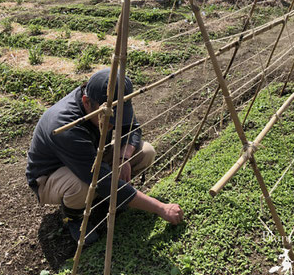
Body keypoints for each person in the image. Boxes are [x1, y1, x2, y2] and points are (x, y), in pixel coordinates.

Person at [26, 68, 183, 245]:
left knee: (146, 151)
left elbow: (131, 129)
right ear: (86, 102)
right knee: (83, 184)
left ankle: (105, 198)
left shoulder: (110, 99)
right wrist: (160, 208)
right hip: (50, 177)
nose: (112, 124)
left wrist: (124, 159)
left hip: (91, 157)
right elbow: (101, 178)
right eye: (107, 119)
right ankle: (74, 217)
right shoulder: (66, 126)